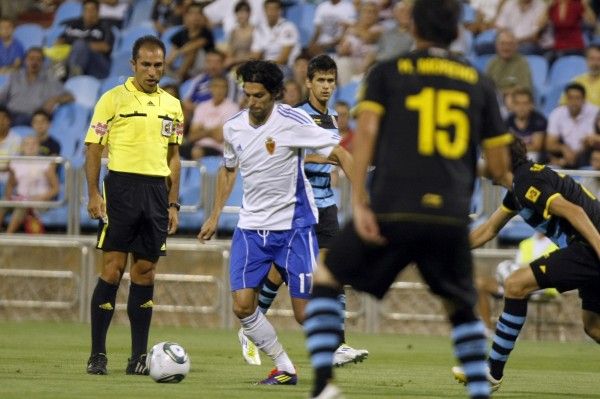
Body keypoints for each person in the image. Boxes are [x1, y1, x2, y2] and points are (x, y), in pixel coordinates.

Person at [302, 1, 512, 398]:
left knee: (328, 274)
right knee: (459, 304)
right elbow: (500, 166)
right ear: (457, 31)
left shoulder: (387, 73)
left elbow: (365, 137)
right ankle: (480, 393)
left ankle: (324, 385)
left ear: (413, 27)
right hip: (449, 214)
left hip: (392, 208)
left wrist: (360, 201)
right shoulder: (477, 81)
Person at [197, 59, 352, 385]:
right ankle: (284, 366)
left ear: (275, 94)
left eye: (258, 96)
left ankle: (334, 349)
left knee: (302, 313)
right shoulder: (233, 127)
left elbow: (339, 153)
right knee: (242, 307)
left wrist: (364, 199)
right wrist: (214, 215)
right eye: (247, 95)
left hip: (294, 227)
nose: (251, 102)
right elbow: (228, 169)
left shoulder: (293, 120)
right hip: (251, 228)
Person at [241, 54, 367, 368]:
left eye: (330, 81)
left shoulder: (332, 119)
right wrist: (330, 160)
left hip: (325, 206)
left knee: (309, 273)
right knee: (286, 272)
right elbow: (286, 156)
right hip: (298, 206)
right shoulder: (296, 117)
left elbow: (332, 156)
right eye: (320, 80)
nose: (326, 87)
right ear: (308, 82)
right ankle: (253, 326)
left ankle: (257, 327)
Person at [452, 137, 600, 391]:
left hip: (589, 246)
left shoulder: (527, 182)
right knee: (594, 327)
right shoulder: (517, 190)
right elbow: (488, 229)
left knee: (515, 284)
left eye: (488, 157)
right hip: (586, 247)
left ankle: (492, 371)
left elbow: (574, 211)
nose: (484, 163)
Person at [84, 35, 183, 376]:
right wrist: (94, 194)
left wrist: (173, 203)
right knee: (113, 269)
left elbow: (174, 156)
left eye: (158, 65)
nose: (152, 71)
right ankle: (98, 354)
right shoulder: (112, 100)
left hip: (156, 192)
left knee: (146, 272)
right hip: (121, 188)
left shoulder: (173, 105)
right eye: (146, 65)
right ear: (133, 64)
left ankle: (138, 357)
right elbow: (94, 148)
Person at [476, 232, 558, 330]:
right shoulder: (526, 243)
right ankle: (487, 330)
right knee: (480, 283)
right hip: (519, 282)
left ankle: (509, 330)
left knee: (515, 288)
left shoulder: (556, 243)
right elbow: (518, 266)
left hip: (542, 286)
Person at [0, 47, 74, 126]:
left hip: (31, 117)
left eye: (38, 59)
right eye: (31, 59)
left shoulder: (50, 79)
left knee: (15, 122)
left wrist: (55, 100)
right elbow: (2, 96)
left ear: (43, 62)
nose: (34, 62)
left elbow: (70, 97)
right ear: (25, 60)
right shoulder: (15, 76)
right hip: (10, 114)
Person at [0, 135, 59, 233]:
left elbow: (55, 188)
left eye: (33, 144)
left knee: (22, 206)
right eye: (27, 144)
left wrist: (41, 197)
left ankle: (7, 237)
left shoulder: (46, 163)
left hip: (40, 201)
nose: (30, 146)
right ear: (22, 147)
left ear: (38, 147)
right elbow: (10, 184)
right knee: (2, 203)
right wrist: (8, 197)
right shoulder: (16, 163)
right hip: (21, 198)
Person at [58, 0, 114, 79]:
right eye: (86, 10)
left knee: (80, 45)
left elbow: (106, 47)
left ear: (98, 12)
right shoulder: (75, 25)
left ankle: (72, 77)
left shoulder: (104, 26)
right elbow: (60, 41)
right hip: (72, 58)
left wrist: (82, 47)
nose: (89, 13)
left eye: (92, 10)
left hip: (97, 65)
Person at [546, 82, 598, 168]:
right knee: (545, 156)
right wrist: (564, 148)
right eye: (570, 98)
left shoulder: (595, 113)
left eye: (577, 98)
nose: (574, 102)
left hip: (587, 154)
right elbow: (549, 143)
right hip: (565, 154)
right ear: (566, 99)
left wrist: (586, 145)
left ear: (584, 99)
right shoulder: (557, 113)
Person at [166, 2, 214, 82]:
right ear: (186, 16)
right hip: (184, 65)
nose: (195, 16)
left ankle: (179, 77)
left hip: (204, 66)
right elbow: (173, 52)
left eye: (198, 13)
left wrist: (178, 53)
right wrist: (166, 64)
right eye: (192, 13)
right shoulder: (181, 33)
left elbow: (196, 45)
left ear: (202, 16)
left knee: (191, 51)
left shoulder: (206, 32)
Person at [505, 87, 546, 162]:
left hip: (533, 155)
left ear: (531, 105)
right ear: (513, 105)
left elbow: (536, 147)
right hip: (514, 154)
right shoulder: (507, 121)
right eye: (518, 103)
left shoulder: (539, 120)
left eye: (525, 103)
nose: (521, 107)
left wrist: (514, 150)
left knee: (531, 157)